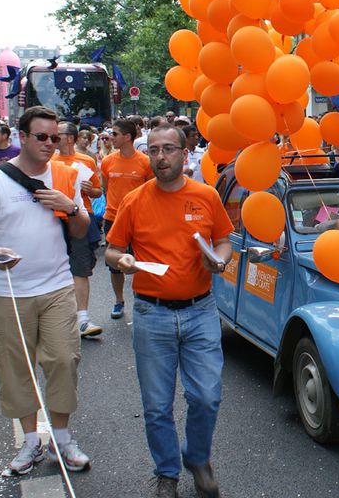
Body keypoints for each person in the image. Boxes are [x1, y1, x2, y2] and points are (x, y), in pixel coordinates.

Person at [0, 106, 92, 474]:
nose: (51, 144)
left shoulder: (66, 175)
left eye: (56, 137)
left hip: (57, 287)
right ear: (22, 136)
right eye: (42, 137)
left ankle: (63, 439)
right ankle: (31, 441)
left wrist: (71, 208)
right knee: (16, 368)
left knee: (64, 360)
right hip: (8, 292)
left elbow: (81, 232)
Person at [105, 125, 232, 498]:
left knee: (206, 396)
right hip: (151, 314)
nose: (161, 157)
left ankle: (198, 458)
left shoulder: (206, 196)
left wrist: (219, 261)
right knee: (157, 405)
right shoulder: (135, 200)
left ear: (183, 152)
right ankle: (167, 473)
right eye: (154, 150)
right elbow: (111, 249)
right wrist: (123, 260)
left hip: (200, 311)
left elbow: (223, 242)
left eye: (168, 150)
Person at [53, 121, 104, 339]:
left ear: (70, 138)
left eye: (58, 134)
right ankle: (59, 319)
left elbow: (97, 191)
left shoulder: (86, 160)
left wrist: (89, 189)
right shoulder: (49, 161)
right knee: (55, 268)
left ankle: (83, 318)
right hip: (53, 219)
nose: (54, 138)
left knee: (81, 267)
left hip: (82, 217)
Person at [100, 118, 154, 320]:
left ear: (127, 137)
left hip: (139, 220)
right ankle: (119, 301)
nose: (110, 137)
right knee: (115, 265)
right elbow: (107, 188)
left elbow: (151, 191)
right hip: (113, 218)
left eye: (114, 134)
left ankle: (141, 299)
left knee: (140, 262)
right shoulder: (107, 161)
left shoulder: (145, 162)